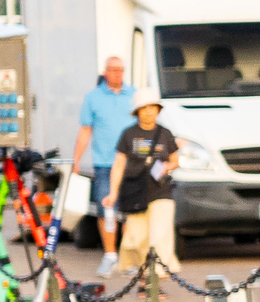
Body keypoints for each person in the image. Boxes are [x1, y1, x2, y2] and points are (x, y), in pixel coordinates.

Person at [71, 56, 137, 275]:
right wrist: (76, 159)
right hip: (105, 163)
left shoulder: (134, 95)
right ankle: (110, 255)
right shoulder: (93, 98)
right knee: (106, 210)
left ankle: (128, 256)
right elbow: (86, 129)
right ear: (106, 72)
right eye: (114, 70)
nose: (118, 74)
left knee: (130, 211)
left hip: (131, 163)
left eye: (121, 70)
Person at [112, 88, 180, 275]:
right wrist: (112, 193)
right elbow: (119, 165)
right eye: (144, 108)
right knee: (137, 239)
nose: (149, 111)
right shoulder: (128, 134)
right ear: (137, 111)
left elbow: (175, 161)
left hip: (161, 191)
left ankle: (156, 276)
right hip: (136, 193)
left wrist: (167, 167)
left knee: (159, 237)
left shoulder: (165, 133)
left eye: (153, 107)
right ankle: (144, 276)